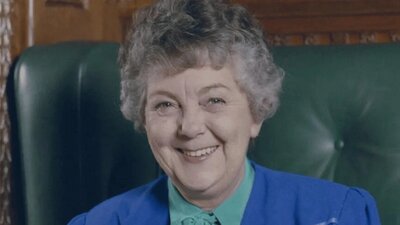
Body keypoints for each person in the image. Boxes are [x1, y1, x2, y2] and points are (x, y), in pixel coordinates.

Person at [68, 0, 381, 224]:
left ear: (256, 113)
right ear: (144, 119)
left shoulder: (339, 213)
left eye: (214, 100)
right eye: (165, 105)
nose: (190, 127)